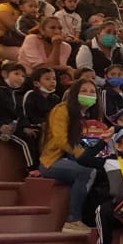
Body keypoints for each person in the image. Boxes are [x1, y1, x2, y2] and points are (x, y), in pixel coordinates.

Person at [41, 78, 102, 233]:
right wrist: (84, 157)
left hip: (77, 159)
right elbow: (61, 139)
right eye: (84, 91)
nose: (88, 94)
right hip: (53, 161)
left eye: (92, 92)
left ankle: (94, 219)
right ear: (75, 93)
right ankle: (73, 220)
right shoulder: (62, 110)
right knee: (87, 171)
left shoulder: (90, 117)